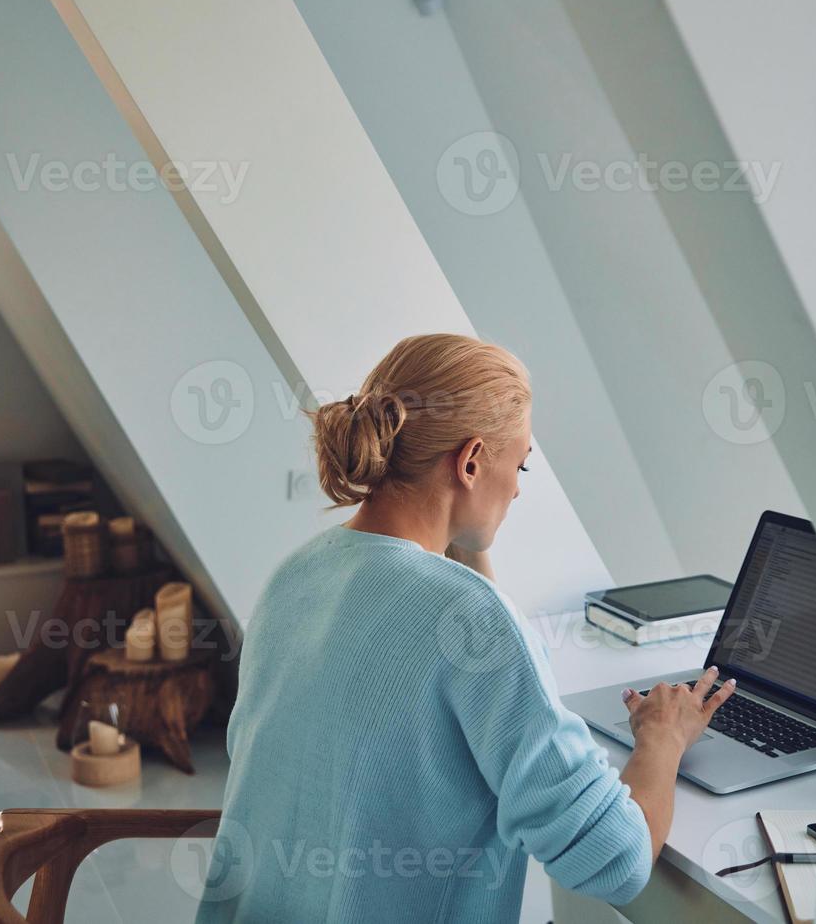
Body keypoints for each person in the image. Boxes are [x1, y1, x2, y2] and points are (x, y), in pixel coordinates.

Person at [196, 333, 735, 922]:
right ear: (471, 460)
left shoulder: (294, 579)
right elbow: (614, 862)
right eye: (521, 461)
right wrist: (662, 738)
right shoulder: (472, 622)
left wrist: (464, 557)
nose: (521, 485)